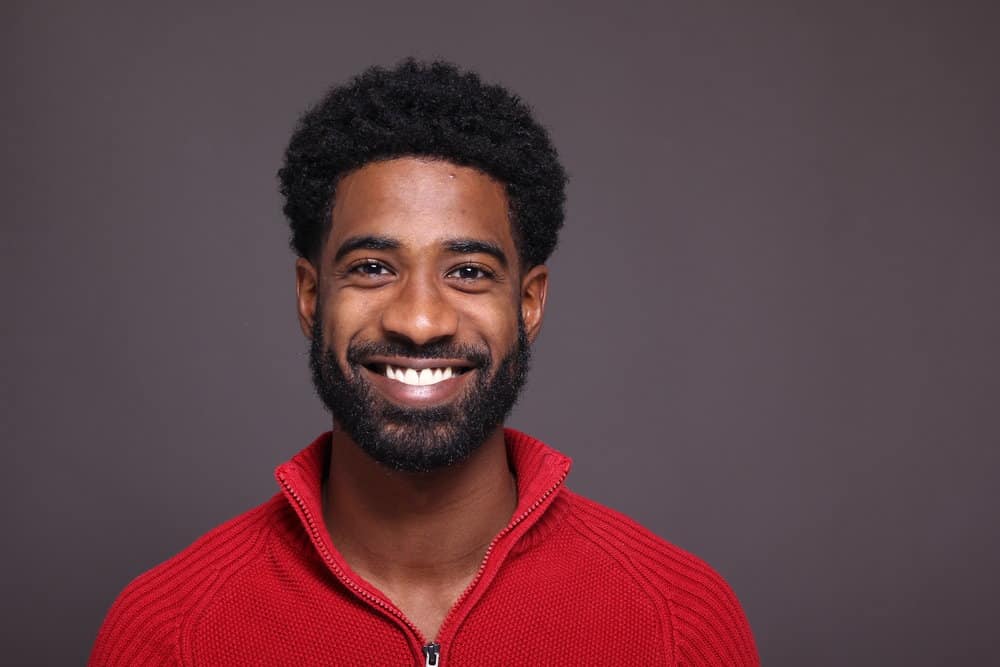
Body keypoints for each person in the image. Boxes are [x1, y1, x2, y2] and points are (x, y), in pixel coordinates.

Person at [90, 59, 759, 666]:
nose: (418, 321)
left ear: (527, 303)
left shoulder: (680, 625)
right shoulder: (168, 634)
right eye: (373, 267)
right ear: (310, 295)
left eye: (468, 271)